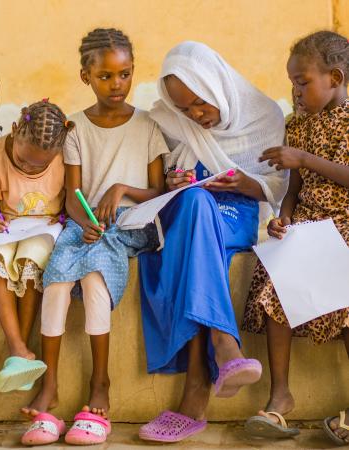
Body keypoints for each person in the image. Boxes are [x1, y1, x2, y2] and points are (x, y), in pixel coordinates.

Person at [20, 28, 167, 446]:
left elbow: (158, 192)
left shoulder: (148, 126)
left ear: (133, 72)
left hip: (133, 223)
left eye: (124, 74)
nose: (116, 84)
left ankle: (99, 383)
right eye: (105, 76)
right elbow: (71, 197)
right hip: (84, 223)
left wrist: (121, 188)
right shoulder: (77, 129)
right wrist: (82, 220)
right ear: (86, 77)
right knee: (58, 278)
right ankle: (49, 387)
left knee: (95, 276)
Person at [137, 41, 288, 443]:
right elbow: (158, 174)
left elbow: (278, 186)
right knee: (195, 200)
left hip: (238, 213)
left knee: (197, 238)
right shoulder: (165, 119)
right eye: (186, 110)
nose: (195, 116)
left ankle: (196, 390)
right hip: (186, 211)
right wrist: (171, 178)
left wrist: (245, 182)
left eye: (201, 105)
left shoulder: (263, 115)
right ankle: (225, 346)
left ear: (218, 87)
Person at [242, 30, 349, 445]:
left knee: (344, 300)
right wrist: (282, 218)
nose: (296, 91)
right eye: (292, 82)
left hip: (344, 224)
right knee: (274, 291)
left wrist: (302, 157)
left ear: (335, 78)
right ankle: (279, 398)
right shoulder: (297, 125)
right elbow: (294, 187)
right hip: (307, 224)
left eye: (303, 82)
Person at [0, 100, 72, 393]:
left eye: (40, 165)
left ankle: (20, 360)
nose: (29, 168)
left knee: (30, 261)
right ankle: (17, 348)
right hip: (6, 224)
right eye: (24, 161)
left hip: (47, 224)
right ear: (14, 132)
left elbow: (72, 196)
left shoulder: (64, 156)